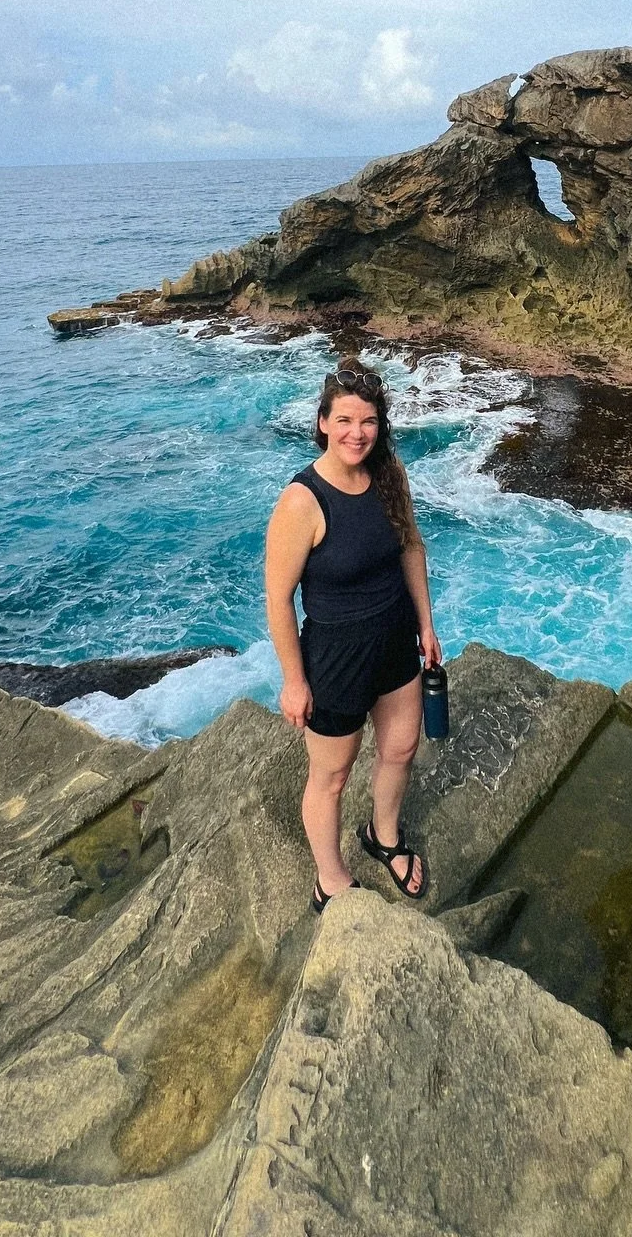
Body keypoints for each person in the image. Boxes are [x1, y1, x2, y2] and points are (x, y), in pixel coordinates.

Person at [264, 360, 442, 910]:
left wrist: (427, 626)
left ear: (380, 425)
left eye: (367, 421)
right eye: (343, 420)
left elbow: (411, 547)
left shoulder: (390, 474)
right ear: (322, 422)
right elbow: (277, 599)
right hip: (335, 657)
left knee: (401, 747)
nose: (356, 433)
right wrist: (295, 681)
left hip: (394, 640)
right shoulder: (302, 501)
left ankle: (383, 836)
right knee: (332, 775)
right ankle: (330, 877)